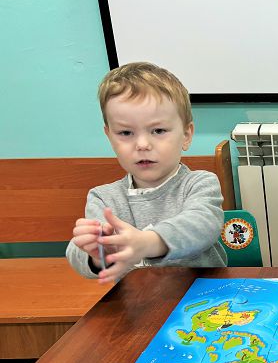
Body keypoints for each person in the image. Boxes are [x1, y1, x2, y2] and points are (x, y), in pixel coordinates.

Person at [67, 62, 226, 284]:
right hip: (137, 301)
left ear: (186, 135)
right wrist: (97, 254)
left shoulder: (200, 183)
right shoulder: (103, 198)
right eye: (126, 133)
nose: (142, 144)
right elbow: (77, 253)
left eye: (158, 130)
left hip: (203, 298)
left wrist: (147, 242)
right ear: (110, 137)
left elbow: (202, 226)